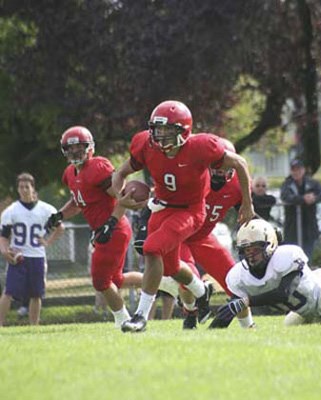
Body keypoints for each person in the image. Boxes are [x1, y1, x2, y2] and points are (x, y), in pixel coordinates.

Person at [112, 100, 254, 333]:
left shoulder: (201, 147)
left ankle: (140, 316)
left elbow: (239, 162)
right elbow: (121, 172)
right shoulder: (146, 145)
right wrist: (121, 198)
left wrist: (247, 204)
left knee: (151, 248)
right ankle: (202, 291)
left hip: (190, 211)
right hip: (162, 208)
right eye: (158, 130)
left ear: (183, 130)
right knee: (170, 269)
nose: (161, 136)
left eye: (168, 130)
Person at [43, 126, 168, 329]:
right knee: (116, 279)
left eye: (79, 147)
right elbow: (78, 202)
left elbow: (121, 198)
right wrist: (59, 215)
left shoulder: (97, 167)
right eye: (71, 148)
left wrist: (110, 224)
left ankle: (123, 320)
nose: (75, 152)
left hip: (114, 228)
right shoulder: (69, 173)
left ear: (89, 147)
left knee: (100, 282)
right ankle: (164, 283)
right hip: (105, 229)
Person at [134, 138, 253, 329]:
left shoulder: (238, 187)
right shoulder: (191, 177)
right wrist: (143, 231)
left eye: (224, 168)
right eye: (216, 167)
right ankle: (190, 311)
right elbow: (158, 200)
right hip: (181, 234)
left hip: (203, 237)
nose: (219, 172)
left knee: (234, 280)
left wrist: (259, 226)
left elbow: (247, 215)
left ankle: (248, 326)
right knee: (187, 278)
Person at [0, 173, 64, 326]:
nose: (23, 190)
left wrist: (48, 241)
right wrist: (4, 251)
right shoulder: (11, 211)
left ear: (32, 188)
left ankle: (34, 326)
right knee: (8, 292)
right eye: (21, 187)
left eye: (26, 187)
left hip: (37, 257)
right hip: (19, 257)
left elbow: (60, 227)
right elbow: (3, 236)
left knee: (36, 294)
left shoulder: (46, 209)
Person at [280, 158, 321, 259]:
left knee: (307, 256)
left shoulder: (312, 183)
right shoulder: (286, 184)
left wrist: (315, 198)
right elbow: (286, 197)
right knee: (293, 256)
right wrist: (303, 199)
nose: (296, 172)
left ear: (303, 170)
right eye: (293, 169)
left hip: (309, 226)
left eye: (298, 169)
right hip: (292, 228)